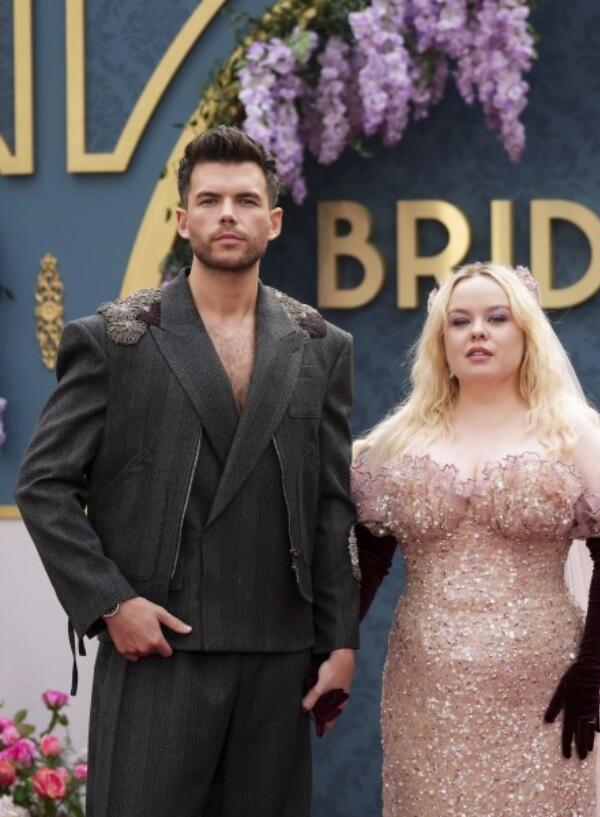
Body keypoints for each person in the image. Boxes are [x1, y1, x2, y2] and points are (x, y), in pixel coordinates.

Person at [14, 125, 359, 817]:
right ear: (183, 219)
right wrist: (111, 602)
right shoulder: (114, 337)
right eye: (209, 200)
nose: (227, 213)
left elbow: (330, 506)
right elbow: (43, 485)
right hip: (158, 649)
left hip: (277, 655)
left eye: (244, 199)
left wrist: (340, 639)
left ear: (274, 219)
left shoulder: (321, 345)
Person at [350, 261, 600, 816]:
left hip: (544, 683)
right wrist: (332, 648)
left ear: (526, 333)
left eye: (497, 318)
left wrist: (590, 674)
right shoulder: (397, 444)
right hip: (427, 689)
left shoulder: (572, 438)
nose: (478, 331)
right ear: (440, 340)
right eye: (460, 320)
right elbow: (370, 561)